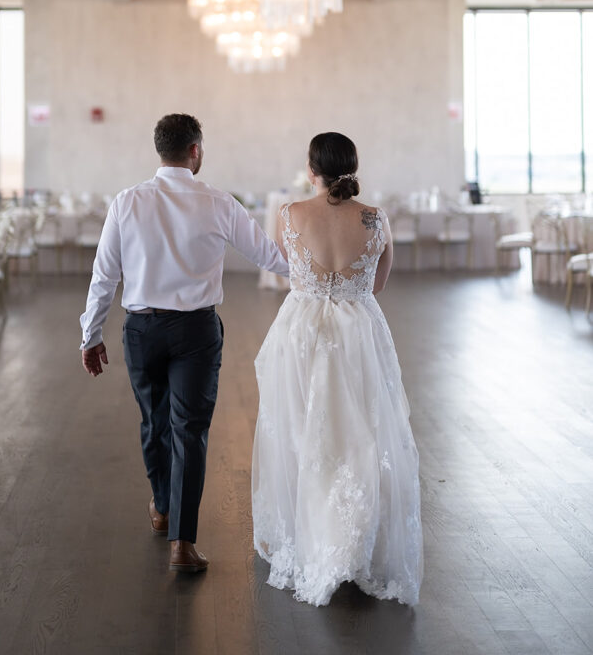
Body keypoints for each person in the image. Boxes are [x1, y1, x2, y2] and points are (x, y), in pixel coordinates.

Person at [79, 113, 288, 574]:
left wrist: (90, 335)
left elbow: (104, 275)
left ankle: (162, 506)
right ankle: (182, 544)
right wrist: (325, 272)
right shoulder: (218, 202)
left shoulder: (127, 201)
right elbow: (270, 257)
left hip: (141, 330)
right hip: (196, 331)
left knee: (154, 424)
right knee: (189, 431)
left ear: (160, 151)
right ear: (196, 150)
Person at [252, 132, 423, 606]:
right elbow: (380, 283)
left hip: (302, 330)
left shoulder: (289, 215)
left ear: (312, 169)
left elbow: (287, 271)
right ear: (352, 166)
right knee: (359, 435)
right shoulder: (374, 218)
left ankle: (312, 537)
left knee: (303, 433)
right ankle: (351, 541)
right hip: (357, 332)